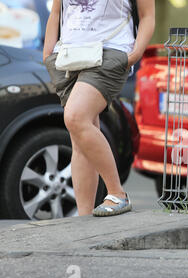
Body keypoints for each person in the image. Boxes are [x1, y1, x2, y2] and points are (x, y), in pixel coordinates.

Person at [42, 0, 155, 216]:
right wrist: (48, 54)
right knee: (80, 139)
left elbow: (147, 15)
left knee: (75, 117)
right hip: (67, 56)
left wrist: (135, 54)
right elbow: (56, 11)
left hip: (110, 53)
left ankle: (117, 194)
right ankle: (84, 217)